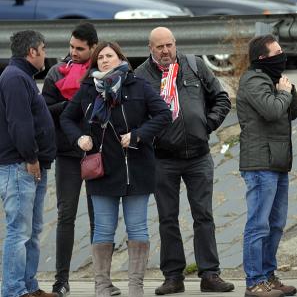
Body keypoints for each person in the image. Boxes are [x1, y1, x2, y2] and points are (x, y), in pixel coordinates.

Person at [60, 41, 171, 297]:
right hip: (101, 170)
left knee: (138, 228)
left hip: (136, 168)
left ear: (120, 58)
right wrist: (79, 139)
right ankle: (101, 287)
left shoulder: (138, 85)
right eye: (100, 58)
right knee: (103, 229)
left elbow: (163, 115)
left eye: (109, 56)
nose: (104, 61)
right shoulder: (89, 88)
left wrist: (139, 135)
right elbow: (66, 117)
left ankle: (135, 288)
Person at [133, 27, 234, 295]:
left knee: (204, 216)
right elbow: (135, 118)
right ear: (150, 48)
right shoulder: (140, 76)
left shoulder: (195, 65)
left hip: (198, 157)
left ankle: (210, 274)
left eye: (169, 45)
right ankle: (173, 276)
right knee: (167, 218)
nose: (165, 51)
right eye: (159, 47)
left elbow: (222, 99)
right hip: (162, 160)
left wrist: (207, 125)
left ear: (175, 44)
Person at [40, 22, 107, 297]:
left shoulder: (102, 72)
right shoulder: (58, 72)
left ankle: (102, 279)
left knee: (98, 218)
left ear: (93, 48)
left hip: (96, 154)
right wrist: (72, 104)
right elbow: (44, 109)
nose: (74, 52)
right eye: (71, 47)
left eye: (80, 49)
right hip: (67, 154)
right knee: (66, 216)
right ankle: (61, 280)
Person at [237, 34, 297, 297]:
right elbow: (273, 110)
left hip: (277, 161)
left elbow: (290, 113)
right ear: (263, 58)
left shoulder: (272, 80)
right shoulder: (253, 80)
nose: (282, 55)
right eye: (277, 52)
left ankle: (268, 275)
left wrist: (289, 91)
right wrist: (284, 93)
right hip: (260, 162)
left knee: (275, 224)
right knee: (258, 224)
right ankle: (254, 282)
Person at [0, 30, 57, 297]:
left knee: (32, 231)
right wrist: (31, 158)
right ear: (32, 51)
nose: (45, 54)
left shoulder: (23, 78)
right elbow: (19, 123)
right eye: (43, 49)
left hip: (32, 166)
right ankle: (13, 290)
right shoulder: (14, 79)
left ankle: (29, 286)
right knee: (19, 231)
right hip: (20, 166)